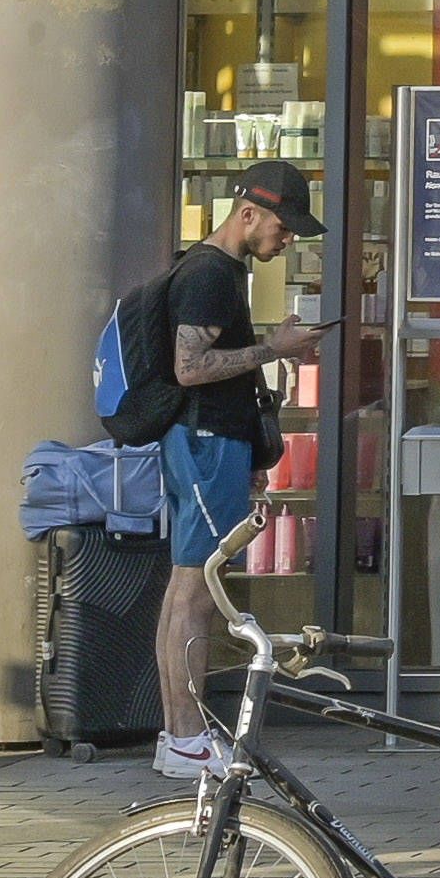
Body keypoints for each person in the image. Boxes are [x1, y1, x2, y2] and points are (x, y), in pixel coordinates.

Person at [103, 163, 302, 783]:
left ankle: (179, 735)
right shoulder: (213, 273)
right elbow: (192, 367)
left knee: (187, 585)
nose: (288, 238)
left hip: (207, 442)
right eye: (283, 224)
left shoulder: (207, 268)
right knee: (197, 594)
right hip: (208, 442)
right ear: (249, 214)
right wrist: (277, 347)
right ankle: (188, 740)